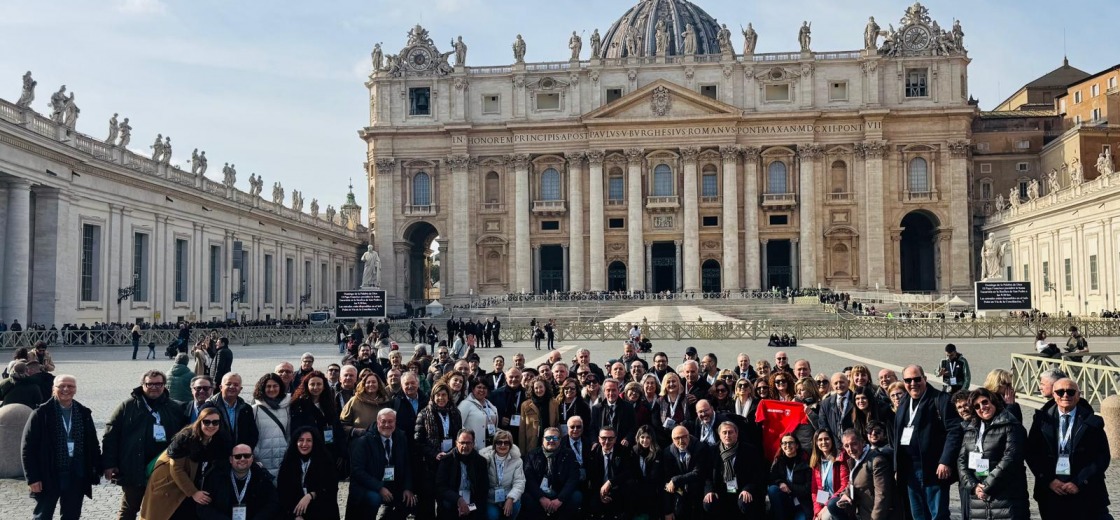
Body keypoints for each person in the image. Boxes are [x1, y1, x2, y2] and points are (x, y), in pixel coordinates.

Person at [102, 369, 188, 520]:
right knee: (128, 510)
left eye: (158, 384)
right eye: (150, 384)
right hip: (133, 467)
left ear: (164, 385)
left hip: (162, 470)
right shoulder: (127, 406)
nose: (154, 387)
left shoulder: (175, 408)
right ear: (143, 385)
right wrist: (109, 464)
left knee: (161, 511)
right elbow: (111, 435)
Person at [1025, 378, 1111, 519]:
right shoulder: (1041, 420)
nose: (1065, 395)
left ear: (1078, 395)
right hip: (1051, 492)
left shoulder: (1092, 421)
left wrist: (1079, 482)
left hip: (1085, 492)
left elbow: (1102, 457)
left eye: (1070, 392)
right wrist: (1049, 480)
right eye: (1060, 392)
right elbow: (1032, 453)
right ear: (1053, 395)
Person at [22, 375, 103, 520]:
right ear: (54, 389)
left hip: (76, 473)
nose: (66, 389)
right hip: (49, 474)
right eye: (61, 386)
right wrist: (32, 478)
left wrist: (96, 469)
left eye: (70, 386)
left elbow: (92, 443)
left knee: (71, 515)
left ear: (75, 389)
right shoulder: (41, 414)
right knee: (42, 516)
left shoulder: (83, 412)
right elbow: (28, 448)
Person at [892, 365, 961, 520]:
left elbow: (954, 431)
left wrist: (945, 460)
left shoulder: (940, 399)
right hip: (910, 470)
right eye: (908, 380)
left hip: (933, 469)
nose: (913, 384)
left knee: (938, 515)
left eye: (917, 379)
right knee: (918, 515)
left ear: (925, 378)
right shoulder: (904, 401)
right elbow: (897, 436)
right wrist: (897, 467)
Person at [140, 404, 227, 520]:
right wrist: (193, 492)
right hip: (169, 484)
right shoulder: (185, 438)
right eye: (206, 422)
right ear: (200, 422)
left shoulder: (218, 439)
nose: (211, 426)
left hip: (190, 485)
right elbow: (176, 468)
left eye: (215, 422)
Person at [957, 388, 1029, 520]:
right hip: (979, 499)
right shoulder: (971, 430)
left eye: (985, 402)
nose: (982, 407)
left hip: (1007, 498)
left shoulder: (1011, 424)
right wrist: (974, 486)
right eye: (977, 406)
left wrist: (987, 486)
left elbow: (1011, 458)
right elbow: (961, 461)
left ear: (993, 402)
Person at [348, 408, 417, 520]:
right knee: (375, 498)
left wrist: (407, 488)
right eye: (383, 421)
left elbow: (407, 465)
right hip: (368, 485)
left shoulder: (401, 437)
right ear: (377, 422)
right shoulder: (364, 441)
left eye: (390, 421)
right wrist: (379, 487)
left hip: (391, 482)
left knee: (410, 500)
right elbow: (357, 471)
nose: (387, 425)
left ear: (395, 422)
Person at [415, 383, 464, 520]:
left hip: (450, 462)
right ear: (433, 396)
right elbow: (418, 442)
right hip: (430, 464)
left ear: (449, 397)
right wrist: (434, 453)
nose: (441, 398)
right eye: (438, 395)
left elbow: (459, 437)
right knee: (428, 503)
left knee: (446, 503)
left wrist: (452, 452)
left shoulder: (455, 413)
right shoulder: (424, 414)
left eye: (444, 395)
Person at [196, 444, 279, 520]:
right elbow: (203, 507)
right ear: (231, 459)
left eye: (246, 456)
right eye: (238, 456)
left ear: (252, 459)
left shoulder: (261, 477)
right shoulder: (216, 477)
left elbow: (273, 503)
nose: (242, 459)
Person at [289, 370, 347, 478]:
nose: (316, 387)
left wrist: (341, 452)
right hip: (310, 453)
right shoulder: (299, 405)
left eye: (319, 384)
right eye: (312, 384)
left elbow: (338, 428)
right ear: (307, 386)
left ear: (324, 386)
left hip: (330, 452)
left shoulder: (328, 403)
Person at [703, 421, 765, 519]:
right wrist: (709, 491)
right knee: (709, 503)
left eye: (730, 432)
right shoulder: (712, 451)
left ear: (737, 434)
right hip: (720, 490)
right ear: (719, 435)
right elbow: (707, 475)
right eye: (724, 433)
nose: (727, 435)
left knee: (746, 502)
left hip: (741, 489)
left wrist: (747, 489)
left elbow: (757, 474)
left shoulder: (750, 450)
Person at [277, 426, 340, 520]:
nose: (304, 444)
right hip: (296, 514)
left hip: (322, 512)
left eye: (309, 440)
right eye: (301, 440)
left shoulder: (325, 461)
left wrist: (311, 495)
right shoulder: (288, 463)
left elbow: (331, 489)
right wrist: (295, 516)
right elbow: (283, 494)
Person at [836, 429, 897, 520]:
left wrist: (875, 518)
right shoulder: (855, 460)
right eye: (846, 446)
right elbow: (853, 482)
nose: (850, 449)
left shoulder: (876, 461)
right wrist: (845, 495)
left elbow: (882, 496)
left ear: (862, 442)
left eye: (854, 444)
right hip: (863, 514)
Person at [521, 427, 580, 519]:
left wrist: (560, 499)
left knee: (577, 496)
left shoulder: (569, 454)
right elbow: (529, 479)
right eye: (548, 438)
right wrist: (541, 498)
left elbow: (573, 478)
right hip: (539, 495)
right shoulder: (532, 454)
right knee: (526, 498)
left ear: (560, 440)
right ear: (542, 440)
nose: (551, 440)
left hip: (560, 494)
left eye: (555, 438)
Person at [436, 428, 490, 520]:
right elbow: (441, 487)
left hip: (473, 504)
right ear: (456, 443)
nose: (465, 446)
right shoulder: (447, 460)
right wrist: (458, 499)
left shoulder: (481, 462)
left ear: (473, 444)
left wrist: (469, 507)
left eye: (468, 443)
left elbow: (483, 489)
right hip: (453, 501)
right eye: (462, 442)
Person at [663, 425, 710, 520]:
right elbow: (667, 479)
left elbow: (698, 473)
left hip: (698, 488)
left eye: (684, 437)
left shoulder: (700, 448)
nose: (681, 441)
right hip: (680, 490)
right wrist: (668, 511)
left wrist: (676, 480)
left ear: (689, 436)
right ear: (672, 440)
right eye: (677, 438)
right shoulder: (668, 452)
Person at [251, 373, 291, 479]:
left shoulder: (287, 408)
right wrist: (256, 454)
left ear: (280, 387)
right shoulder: (255, 409)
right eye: (268, 386)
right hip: (262, 459)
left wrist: (287, 449)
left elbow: (289, 433)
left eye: (275, 386)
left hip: (283, 457)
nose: (272, 389)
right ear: (262, 388)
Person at [586, 425, 631, 519]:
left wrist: (610, 482)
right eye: (603, 438)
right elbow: (592, 477)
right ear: (599, 439)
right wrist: (601, 493)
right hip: (599, 489)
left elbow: (627, 472)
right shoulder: (593, 454)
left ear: (615, 439)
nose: (607, 442)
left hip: (618, 488)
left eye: (610, 439)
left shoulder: (623, 451)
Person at [479, 429, 525, 520]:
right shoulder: (485, 459)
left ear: (510, 445)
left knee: (515, 507)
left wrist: (511, 498)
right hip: (491, 499)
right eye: (499, 442)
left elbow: (519, 482)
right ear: (494, 444)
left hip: (508, 495)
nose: (502, 445)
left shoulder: (517, 461)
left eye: (506, 443)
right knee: (493, 516)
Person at [208, 373, 260, 449]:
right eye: (228, 384)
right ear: (221, 387)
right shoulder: (209, 407)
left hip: (240, 454)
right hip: (215, 454)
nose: (232, 387)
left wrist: (245, 450)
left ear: (240, 389)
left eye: (236, 385)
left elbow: (253, 434)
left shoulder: (246, 409)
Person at [768, 433, 812, 520]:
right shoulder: (778, 460)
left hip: (800, 502)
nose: (787, 445)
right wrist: (780, 483)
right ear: (781, 446)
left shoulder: (805, 462)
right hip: (784, 501)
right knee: (772, 489)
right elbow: (771, 479)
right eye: (784, 443)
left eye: (791, 442)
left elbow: (807, 489)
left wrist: (788, 485)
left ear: (797, 445)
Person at [808, 428, 849, 520]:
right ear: (816, 443)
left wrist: (826, 506)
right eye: (820, 440)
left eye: (826, 439)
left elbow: (845, 485)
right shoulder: (816, 462)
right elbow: (815, 491)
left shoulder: (840, 458)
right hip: (824, 502)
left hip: (837, 502)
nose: (824, 442)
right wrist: (818, 511)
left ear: (832, 440)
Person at [342, 372, 393, 438]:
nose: (371, 384)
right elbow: (343, 424)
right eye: (368, 382)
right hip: (360, 440)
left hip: (381, 440)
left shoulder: (385, 401)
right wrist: (356, 431)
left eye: (374, 382)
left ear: (378, 384)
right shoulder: (354, 401)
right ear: (363, 385)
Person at [631, 425, 667, 519]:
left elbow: (655, 475)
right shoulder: (634, 450)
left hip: (653, 488)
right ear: (638, 438)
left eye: (648, 437)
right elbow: (633, 471)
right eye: (642, 437)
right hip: (638, 486)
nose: (645, 440)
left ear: (652, 439)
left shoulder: (657, 452)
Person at [460, 378, 500, 449]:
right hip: (474, 446)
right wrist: (469, 440)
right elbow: (459, 424)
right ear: (473, 389)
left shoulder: (489, 404)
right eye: (479, 387)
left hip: (491, 444)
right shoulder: (465, 404)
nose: (482, 390)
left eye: (484, 388)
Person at [519, 378, 556, 452]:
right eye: (536, 388)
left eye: (541, 387)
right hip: (532, 442)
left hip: (550, 441)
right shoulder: (525, 405)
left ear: (545, 387)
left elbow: (556, 422)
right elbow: (522, 429)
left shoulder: (554, 403)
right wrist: (522, 451)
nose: (539, 390)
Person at [820, 372, 854, 443]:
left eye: (842, 382)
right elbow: (823, 425)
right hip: (835, 445)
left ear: (848, 383)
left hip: (853, 443)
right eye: (836, 383)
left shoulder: (856, 400)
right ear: (832, 386)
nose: (839, 385)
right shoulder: (825, 403)